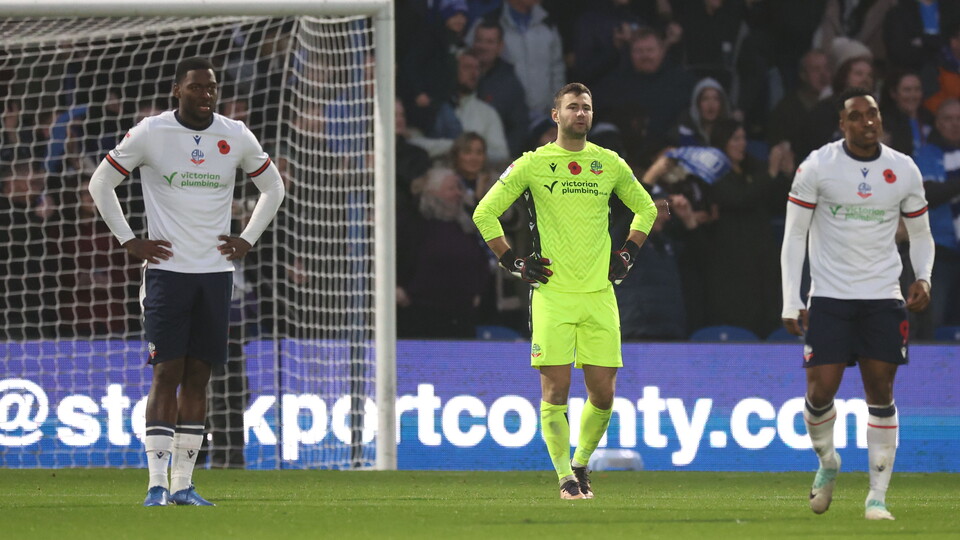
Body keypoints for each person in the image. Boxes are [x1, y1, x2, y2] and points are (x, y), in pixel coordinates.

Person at [88, 57, 285, 506]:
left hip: (216, 275)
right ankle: (156, 484)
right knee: (166, 374)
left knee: (200, 378)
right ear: (177, 90)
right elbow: (101, 182)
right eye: (196, 87)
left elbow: (274, 187)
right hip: (166, 273)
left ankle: (183, 485)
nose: (206, 95)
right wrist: (128, 240)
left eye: (211, 87)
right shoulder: (152, 132)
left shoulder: (234, 134)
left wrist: (248, 239)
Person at [472, 83, 658, 500]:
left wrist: (628, 252)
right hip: (553, 294)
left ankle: (581, 463)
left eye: (586, 108)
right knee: (555, 391)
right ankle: (565, 478)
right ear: (556, 115)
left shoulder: (608, 163)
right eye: (572, 107)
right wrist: (510, 261)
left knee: (603, 393)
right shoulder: (533, 164)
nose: (580, 114)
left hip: (599, 294)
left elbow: (646, 207)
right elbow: (484, 212)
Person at [780, 87, 934, 521]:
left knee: (881, 392)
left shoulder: (902, 169)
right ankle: (828, 462)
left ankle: (877, 497)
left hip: (883, 296)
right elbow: (794, 234)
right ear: (842, 124)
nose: (868, 121)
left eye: (873, 114)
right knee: (819, 391)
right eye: (857, 116)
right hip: (829, 295)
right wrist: (792, 298)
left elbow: (920, 235)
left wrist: (922, 276)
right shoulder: (818, 166)